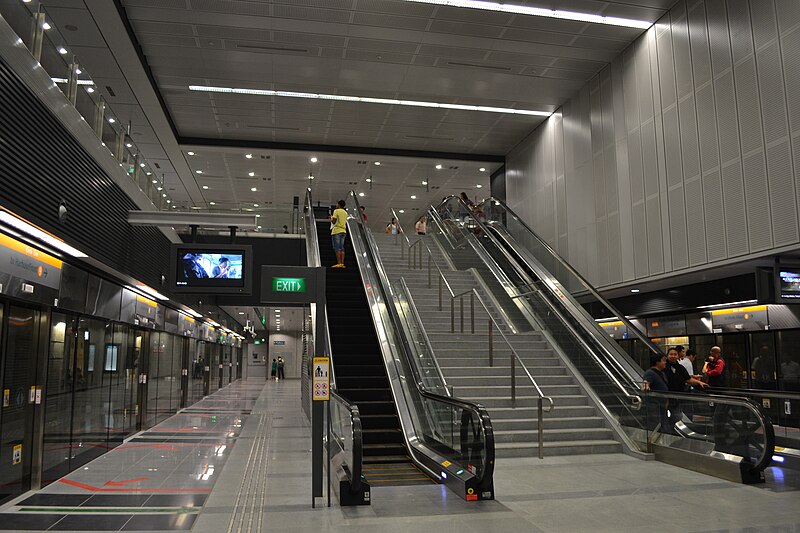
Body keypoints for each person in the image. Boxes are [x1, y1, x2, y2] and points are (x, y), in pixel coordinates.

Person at [665, 347, 707, 425]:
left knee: (677, 416)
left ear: (677, 356)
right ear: (667, 355)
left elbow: (688, 378)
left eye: (675, 354)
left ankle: (672, 429)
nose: (673, 356)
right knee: (668, 415)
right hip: (666, 396)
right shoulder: (663, 366)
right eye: (671, 354)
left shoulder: (680, 367)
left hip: (678, 396)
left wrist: (699, 382)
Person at [642, 353, 669, 432]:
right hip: (654, 405)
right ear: (657, 362)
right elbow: (646, 383)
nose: (665, 362)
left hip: (662, 405)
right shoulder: (650, 373)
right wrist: (646, 387)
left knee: (663, 425)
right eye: (663, 360)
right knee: (655, 425)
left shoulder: (662, 373)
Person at [330, 199, 347, 268]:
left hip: (337, 231)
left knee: (337, 248)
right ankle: (342, 263)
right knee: (342, 247)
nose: (336, 205)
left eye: (337, 204)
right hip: (343, 231)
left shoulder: (336, 211)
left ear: (339, 205)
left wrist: (331, 218)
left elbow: (334, 221)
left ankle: (339, 263)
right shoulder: (345, 212)